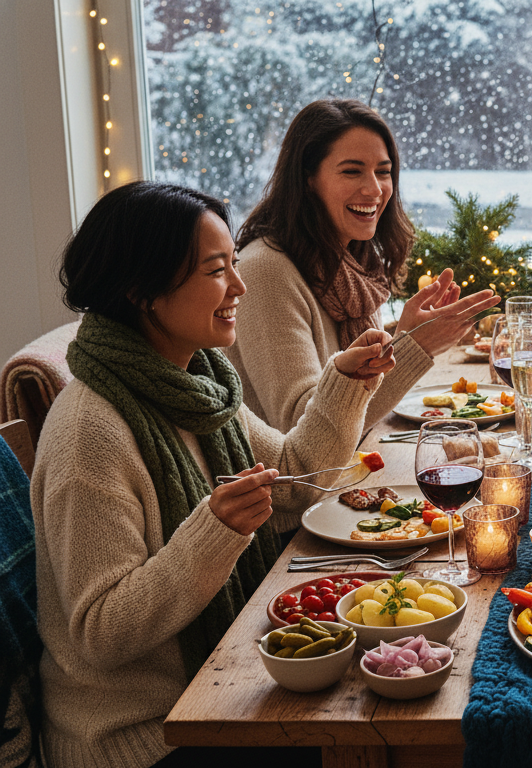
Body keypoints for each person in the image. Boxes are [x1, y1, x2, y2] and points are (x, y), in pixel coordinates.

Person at [32, 181, 391, 768]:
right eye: (216, 270)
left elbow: (297, 479)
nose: (240, 287)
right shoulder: (89, 434)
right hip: (146, 736)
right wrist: (213, 533)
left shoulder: (197, 383)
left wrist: (344, 382)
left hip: (219, 686)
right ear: (142, 290)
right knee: (375, 731)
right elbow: (98, 633)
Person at [227, 98, 499, 433]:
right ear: (308, 178)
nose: (374, 189)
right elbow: (305, 431)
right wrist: (413, 346)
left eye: (383, 172)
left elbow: (357, 406)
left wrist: (407, 335)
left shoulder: (354, 264)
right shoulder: (266, 272)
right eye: (352, 171)